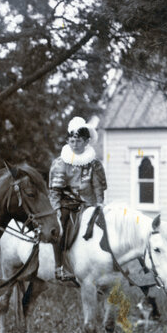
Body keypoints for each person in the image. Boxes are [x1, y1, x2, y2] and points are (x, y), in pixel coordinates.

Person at [48, 116, 106, 283]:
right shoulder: (61, 163)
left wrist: (100, 203)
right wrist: (57, 208)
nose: (75, 144)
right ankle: (60, 267)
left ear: (86, 141)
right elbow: (55, 190)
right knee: (61, 229)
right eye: (72, 140)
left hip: (89, 204)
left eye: (79, 141)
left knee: (104, 228)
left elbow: (98, 187)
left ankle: (104, 264)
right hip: (67, 204)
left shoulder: (94, 164)